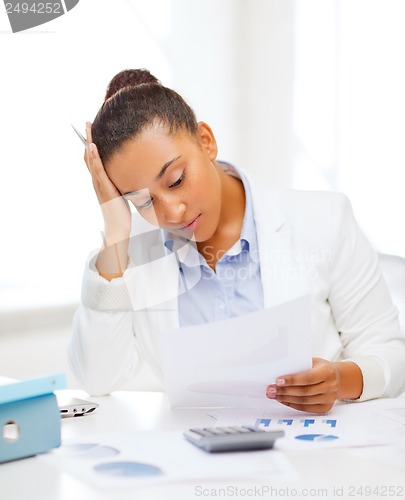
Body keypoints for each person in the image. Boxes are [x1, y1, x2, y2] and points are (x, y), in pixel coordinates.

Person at [68, 68, 405, 414]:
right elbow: (97, 378)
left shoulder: (325, 219)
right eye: (142, 202)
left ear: (206, 141)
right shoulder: (133, 254)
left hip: (311, 455)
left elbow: (391, 354)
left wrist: (341, 379)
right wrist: (115, 237)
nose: (172, 212)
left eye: (176, 180)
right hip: (195, 460)